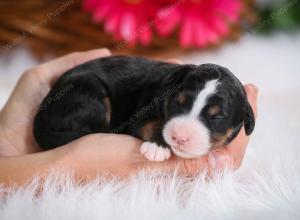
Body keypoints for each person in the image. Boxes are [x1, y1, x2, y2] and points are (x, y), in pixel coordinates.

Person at [0, 49, 258, 187]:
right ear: (172, 94)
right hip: (84, 92)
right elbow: (141, 123)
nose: (182, 131)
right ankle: (71, 135)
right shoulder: (169, 87)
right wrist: (156, 135)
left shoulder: (237, 112)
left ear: (243, 121)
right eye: (180, 106)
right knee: (89, 92)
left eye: (213, 118)